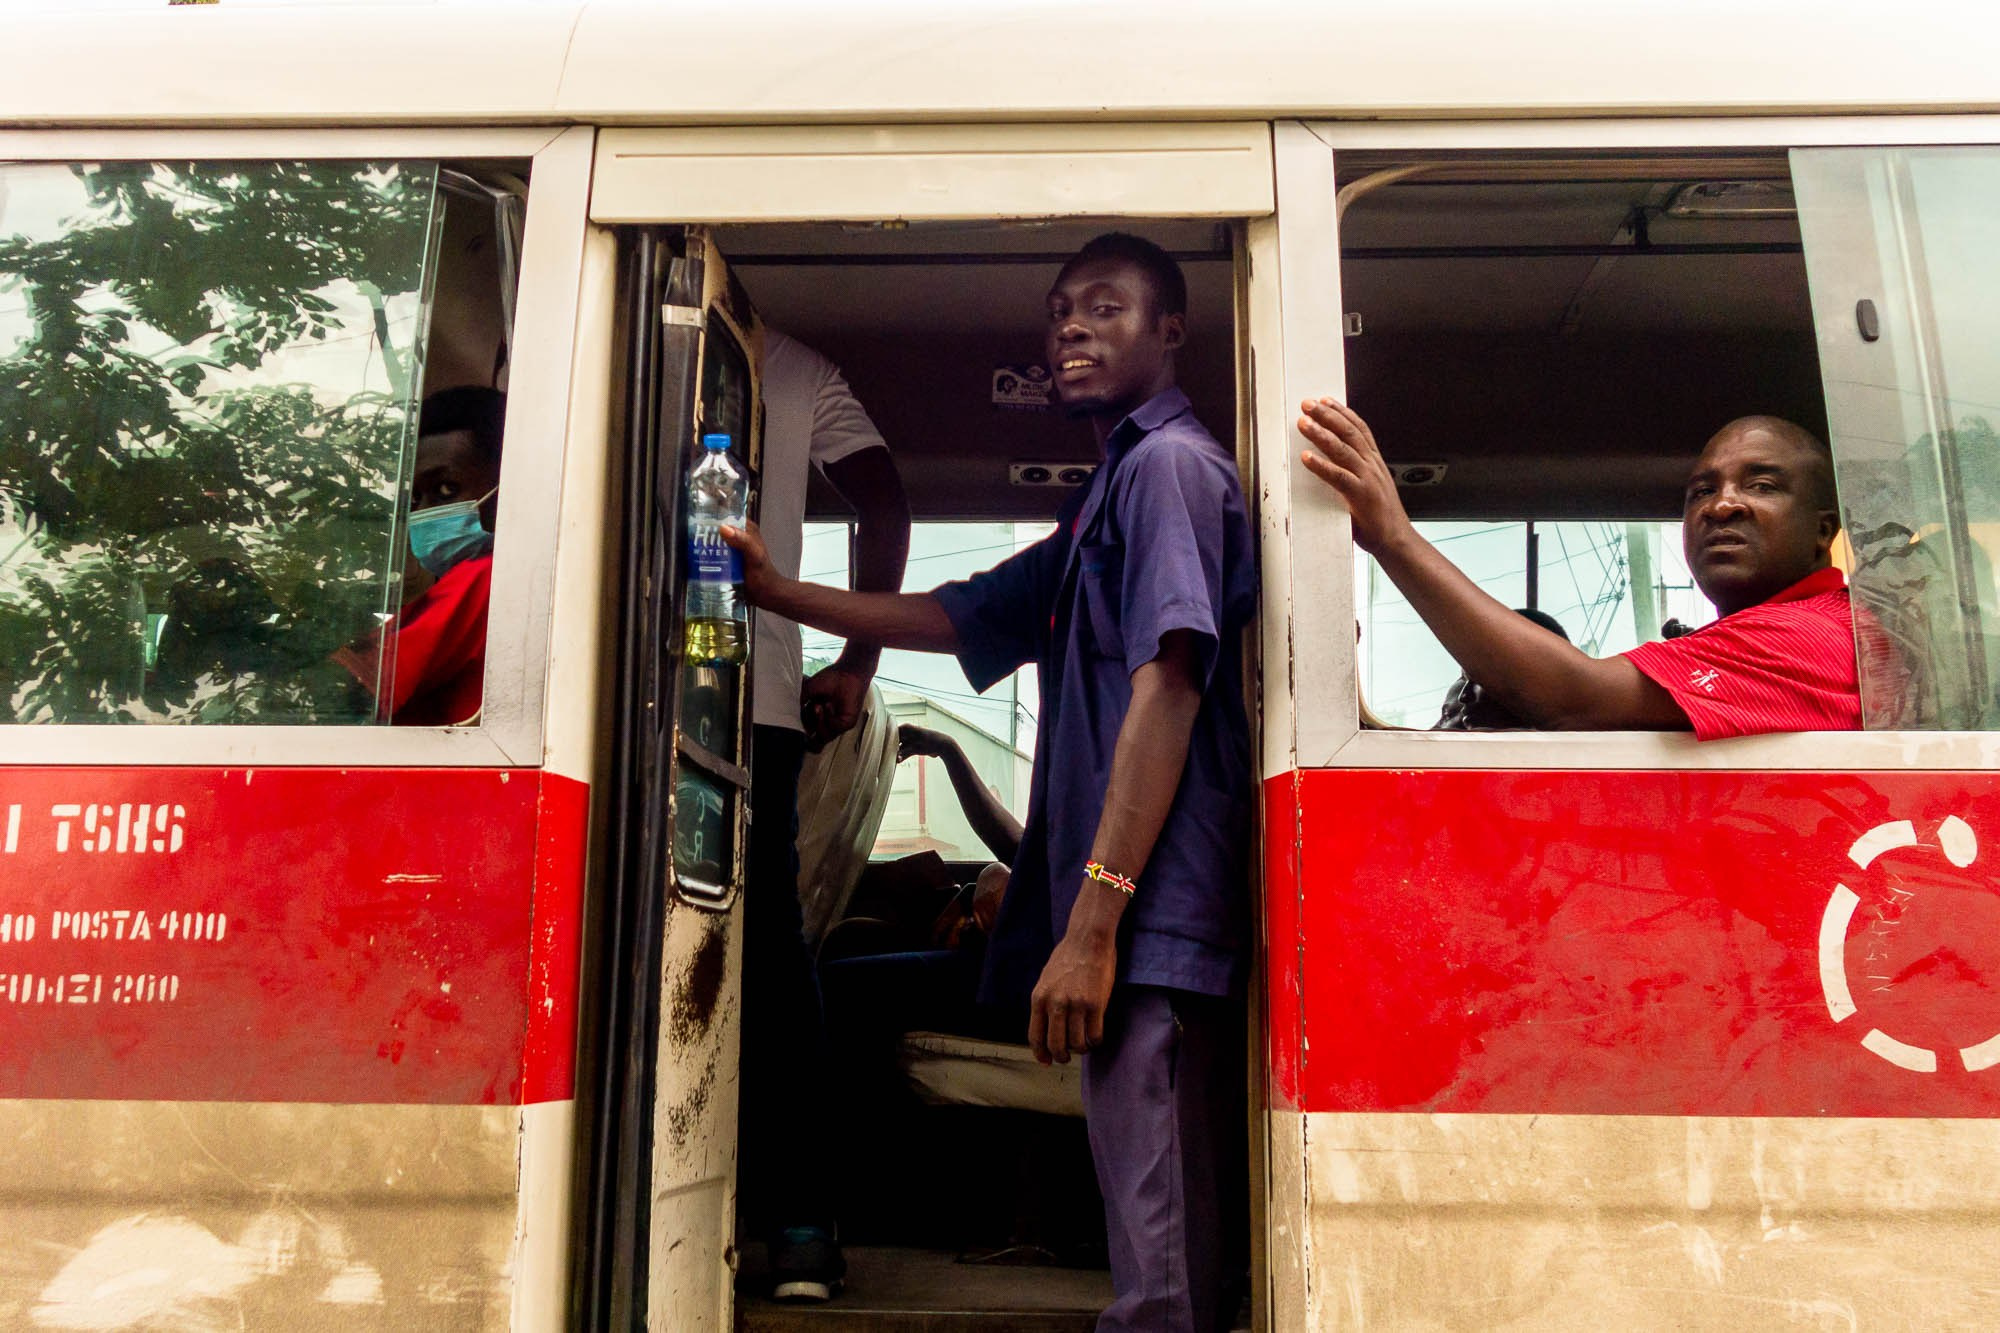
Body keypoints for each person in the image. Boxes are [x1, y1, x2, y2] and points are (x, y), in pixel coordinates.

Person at [725, 233, 1256, 1332]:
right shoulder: (1108, 489)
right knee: (1151, 1236)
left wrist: (1092, 926)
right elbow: (956, 612)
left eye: (1105, 308)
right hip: (1131, 912)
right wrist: (779, 594)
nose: (1068, 326)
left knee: (1164, 1274)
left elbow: (1171, 687)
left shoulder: (1168, 469)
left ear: (1170, 330)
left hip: (1150, 911)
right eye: (1060, 308)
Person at [1300, 398, 1865, 739]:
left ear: (1823, 530)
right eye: (1700, 492)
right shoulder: (1771, 634)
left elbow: (1572, 699)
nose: (1721, 506)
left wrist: (1393, 538)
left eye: (1761, 486)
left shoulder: (1812, 636)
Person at [740, 329, 910, 1303]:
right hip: (755, 701)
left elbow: (886, 499)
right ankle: (800, 1225)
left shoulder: (588, 325)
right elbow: (884, 498)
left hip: (611, 694)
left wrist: (854, 661)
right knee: (769, 950)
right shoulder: (789, 363)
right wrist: (854, 663)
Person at [336, 386, 503, 726]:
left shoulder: (487, 577)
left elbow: (351, 689)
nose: (422, 512)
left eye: (446, 490)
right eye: (414, 499)